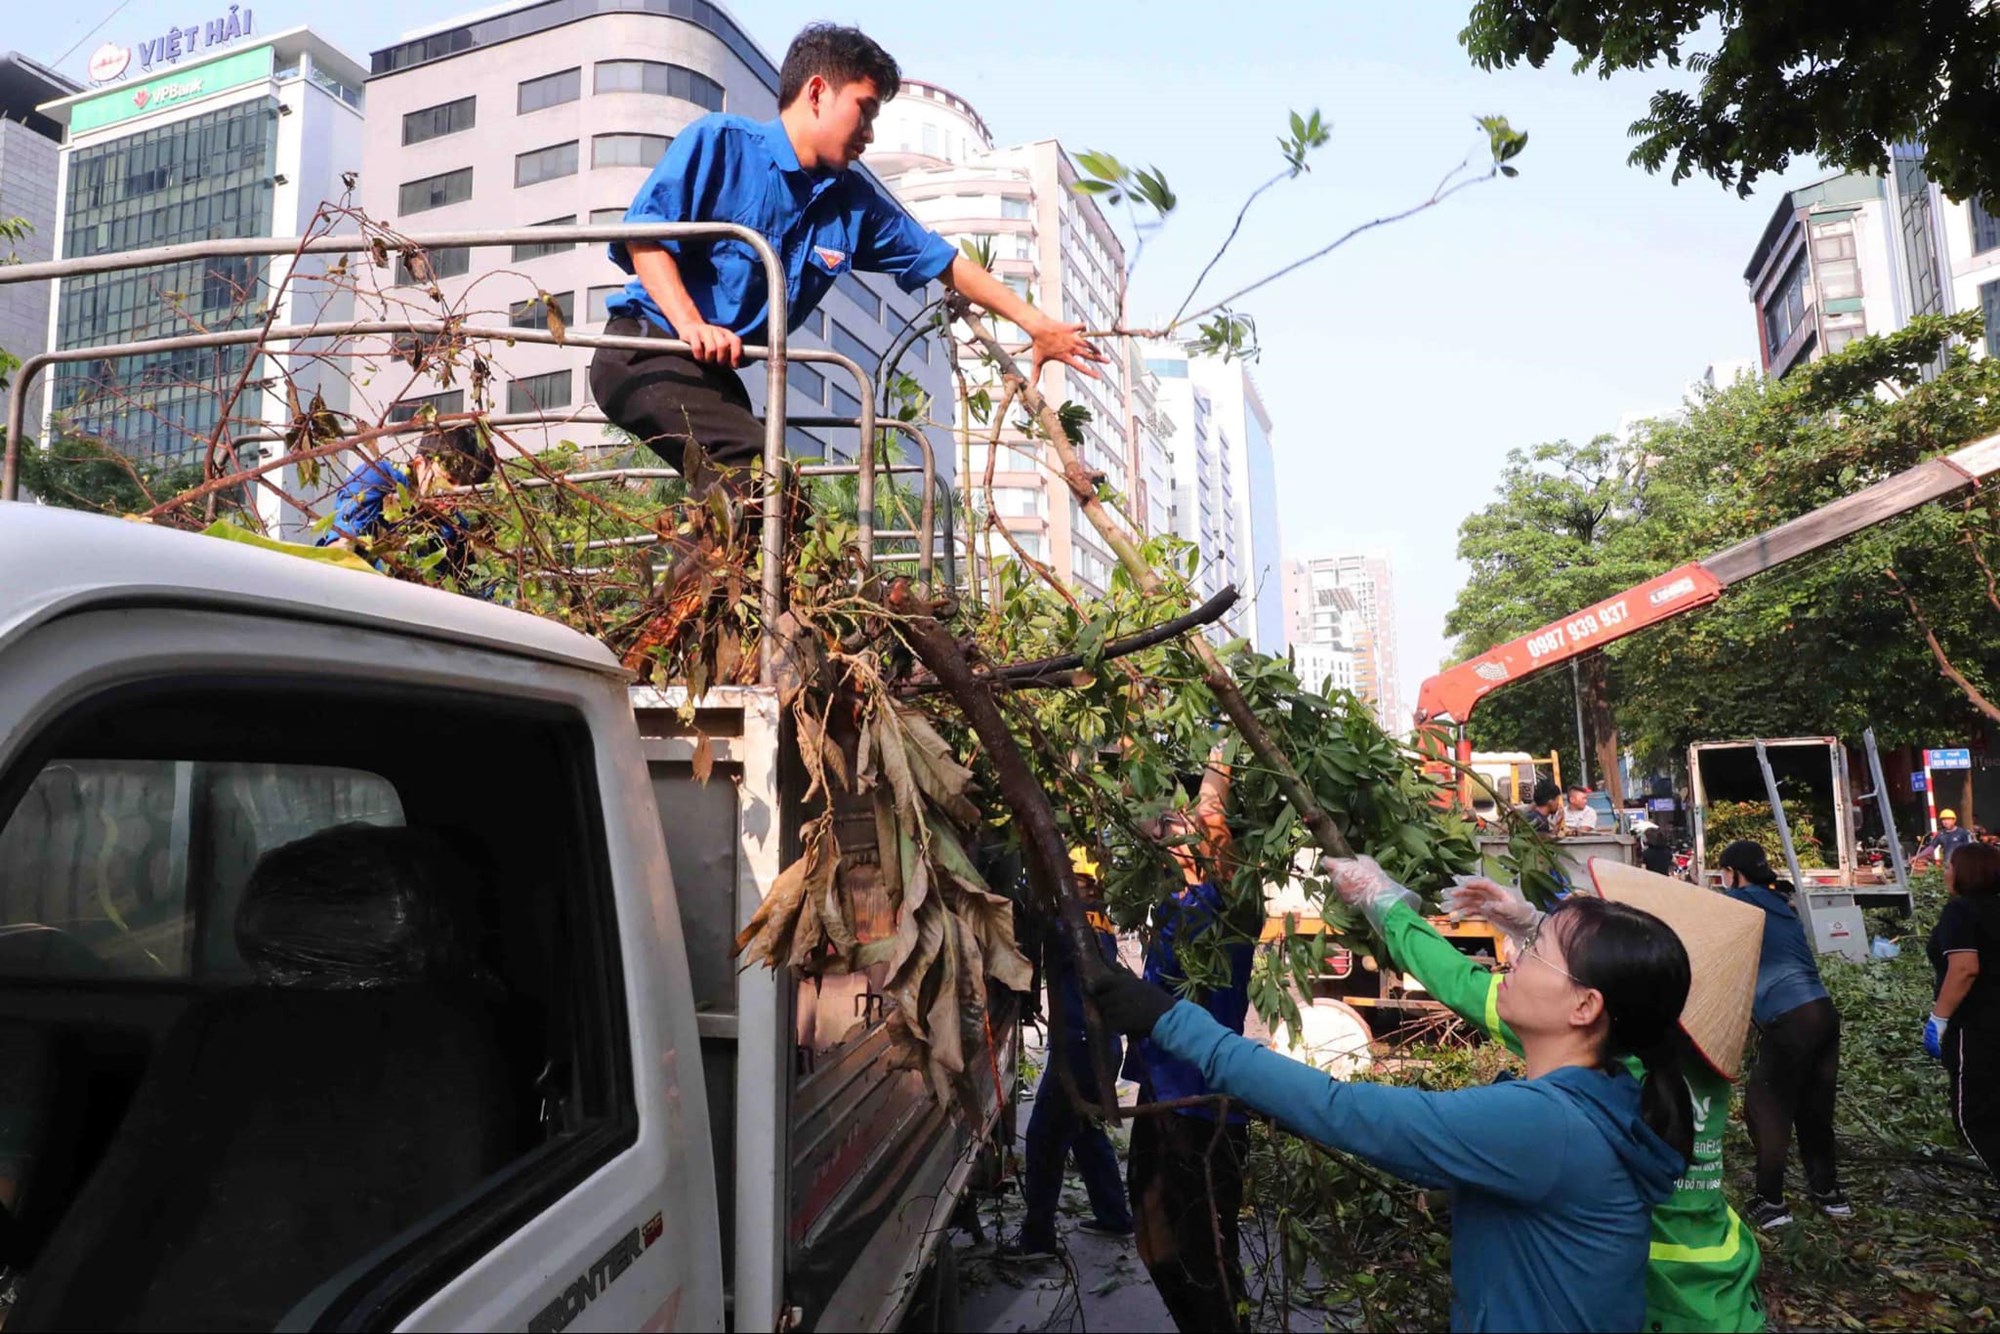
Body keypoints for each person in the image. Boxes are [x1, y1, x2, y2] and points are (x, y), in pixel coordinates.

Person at [1092, 857, 1692, 1333]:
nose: (1511, 951)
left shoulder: (1546, 1125)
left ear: (1586, 1007)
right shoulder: (1609, 1090)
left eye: (1535, 948)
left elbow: (1343, 1111)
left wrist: (1171, 1021)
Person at [588, 24, 1105, 492]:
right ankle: (680, 600)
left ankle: (682, 600)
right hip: (645, 350)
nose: (870, 133)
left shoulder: (854, 204)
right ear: (818, 92)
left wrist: (1037, 325)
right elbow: (645, 239)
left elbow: (944, 262)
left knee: (773, 508)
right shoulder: (721, 143)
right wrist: (691, 323)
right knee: (761, 486)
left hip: (716, 375)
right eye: (865, 109)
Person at [1444, 866, 1769, 1333]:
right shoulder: (1695, 1063)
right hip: (1729, 1295)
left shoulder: (1612, 1061)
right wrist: (1538, 928)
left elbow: (1464, 988)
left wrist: (1387, 910)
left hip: (1672, 1311)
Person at [1122, 744, 1254, 1333]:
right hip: (1160, 1099)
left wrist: (1222, 754)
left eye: (1191, 832)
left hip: (1204, 1110)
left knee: (1209, 1260)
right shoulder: (1173, 904)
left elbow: (1210, 811)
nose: (1176, 837)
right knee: (1150, 1231)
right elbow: (1142, 806)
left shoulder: (1231, 909)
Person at [998, 847, 1134, 1261]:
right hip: (1095, 1045)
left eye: (1070, 879)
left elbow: (1047, 931)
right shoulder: (1097, 919)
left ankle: (1037, 1239)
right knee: (1085, 1130)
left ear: (1085, 883)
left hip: (1080, 1048)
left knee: (1044, 1138)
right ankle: (1114, 1216)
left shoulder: (1074, 923)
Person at [1717, 840, 1848, 1228]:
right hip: (1823, 1013)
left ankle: (1771, 1202)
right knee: (1814, 1108)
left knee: (1767, 1109)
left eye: (1724, 872)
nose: (1723, 880)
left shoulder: (1738, 906)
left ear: (1735, 874)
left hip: (1789, 1018)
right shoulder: (1781, 905)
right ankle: (1829, 1194)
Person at [316, 425, 494, 586]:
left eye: (462, 492)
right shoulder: (380, 479)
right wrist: (343, 544)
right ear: (419, 464)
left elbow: (474, 587)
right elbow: (341, 544)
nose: (451, 496)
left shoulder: (456, 529)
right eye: (448, 480)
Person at [1925, 841, 2000, 1181]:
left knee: (1972, 1118)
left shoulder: (1961, 912)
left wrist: (1939, 1019)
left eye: (1950, 866)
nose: (1945, 871)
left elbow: (1964, 968)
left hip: (1977, 1027)